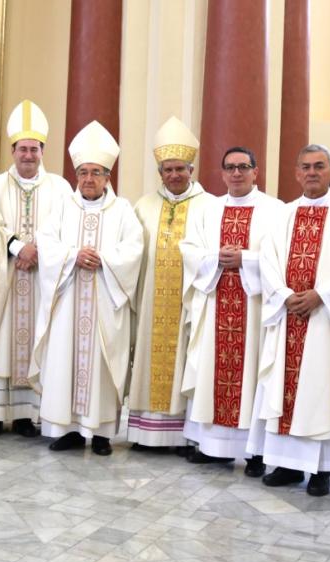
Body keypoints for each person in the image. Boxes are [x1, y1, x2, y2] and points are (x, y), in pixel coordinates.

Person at [251, 144, 330, 496]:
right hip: (287, 314)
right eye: (306, 167)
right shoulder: (282, 215)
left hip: (324, 318)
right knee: (282, 390)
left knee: (320, 388)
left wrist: (322, 295)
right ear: (296, 173)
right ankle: (286, 464)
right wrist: (285, 296)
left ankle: (322, 470)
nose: (312, 172)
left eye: (319, 166)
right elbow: (266, 261)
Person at [30, 120, 144, 456]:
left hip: (105, 305)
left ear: (108, 176)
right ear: (76, 175)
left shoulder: (122, 210)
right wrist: (71, 256)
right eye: (83, 172)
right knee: (65, 361)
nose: (89, 179)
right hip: (67, 303)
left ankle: (103, 434)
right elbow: (46, 242)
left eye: (96, 172)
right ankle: (68, 430)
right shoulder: (63, 207)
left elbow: (133, 250)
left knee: (103, 366)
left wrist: (104, 260)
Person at [179, 146, 284, 471]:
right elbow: (190, 249)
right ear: (222, 173)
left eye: (243, 167)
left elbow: (281, 257)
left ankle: (255, 452)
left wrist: (246, 259)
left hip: (253, 308)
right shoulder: (207, 210)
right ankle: (213, 446)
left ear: (256, 171)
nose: (236, 173)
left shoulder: (275, 210)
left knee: (253, 375)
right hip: (214, 304)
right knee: (212, 370)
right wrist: (214, 258)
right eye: (230, 168)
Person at [0, 100, 71, 438]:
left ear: (43, 151)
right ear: (13, 150)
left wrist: (39, 252)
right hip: (6, 278)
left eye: (34, 149)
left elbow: (65, 230)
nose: (28, 155)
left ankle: (26, 415)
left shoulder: (61, 189)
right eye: (22, 149)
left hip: (43, 283)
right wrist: (19, 248)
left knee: (37, 341)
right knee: (1, 342)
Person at [127, 117, 208, 453]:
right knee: (149, 357)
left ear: (191, 169)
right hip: (150, 303)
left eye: (180, 169)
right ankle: (146, 434)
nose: (173, 175)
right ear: (159, 173)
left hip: (188, 304)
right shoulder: (143, 206)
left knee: (187, 361)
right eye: (167, 169)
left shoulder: (210, 206)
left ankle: (183, 434)